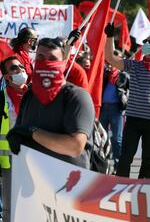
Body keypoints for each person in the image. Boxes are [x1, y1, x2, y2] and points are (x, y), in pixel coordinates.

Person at [6, 37, 95, 168]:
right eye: (41, 58)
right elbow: (21, 133)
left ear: (64, 63)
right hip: (32, 178)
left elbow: (75, 147)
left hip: (69, 182)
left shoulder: (77, 96)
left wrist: (34, 132)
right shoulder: (30, 96)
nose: (46, 62)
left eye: (52, 59)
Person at [104, 23, 150, 178]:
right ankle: (121, 187)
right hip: (133, 119)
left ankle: (144, 190)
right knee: (125, 158)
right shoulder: (134, 65)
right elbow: (110, 58)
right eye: (145, 42)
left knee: (149, 161)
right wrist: (109, 37)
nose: (146, 45)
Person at [0, 56, 29, 222]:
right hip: (9, 161)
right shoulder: (1, 98)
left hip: (34, 159)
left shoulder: (36, 95)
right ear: (7, 77)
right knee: (10, 207)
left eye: (21, 66)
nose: (20, 70)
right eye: (14, 69)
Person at [100, 56, 129, 171]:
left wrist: (125, 105)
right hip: (103, 108)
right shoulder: (105, 75)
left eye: (112, 63)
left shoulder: (123, 76)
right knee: (102, 136)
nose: (109, 65)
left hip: (116, 109)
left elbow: (128, 92)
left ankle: (118, 165)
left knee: (117, 139)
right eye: (108, 63)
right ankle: (102, 161)